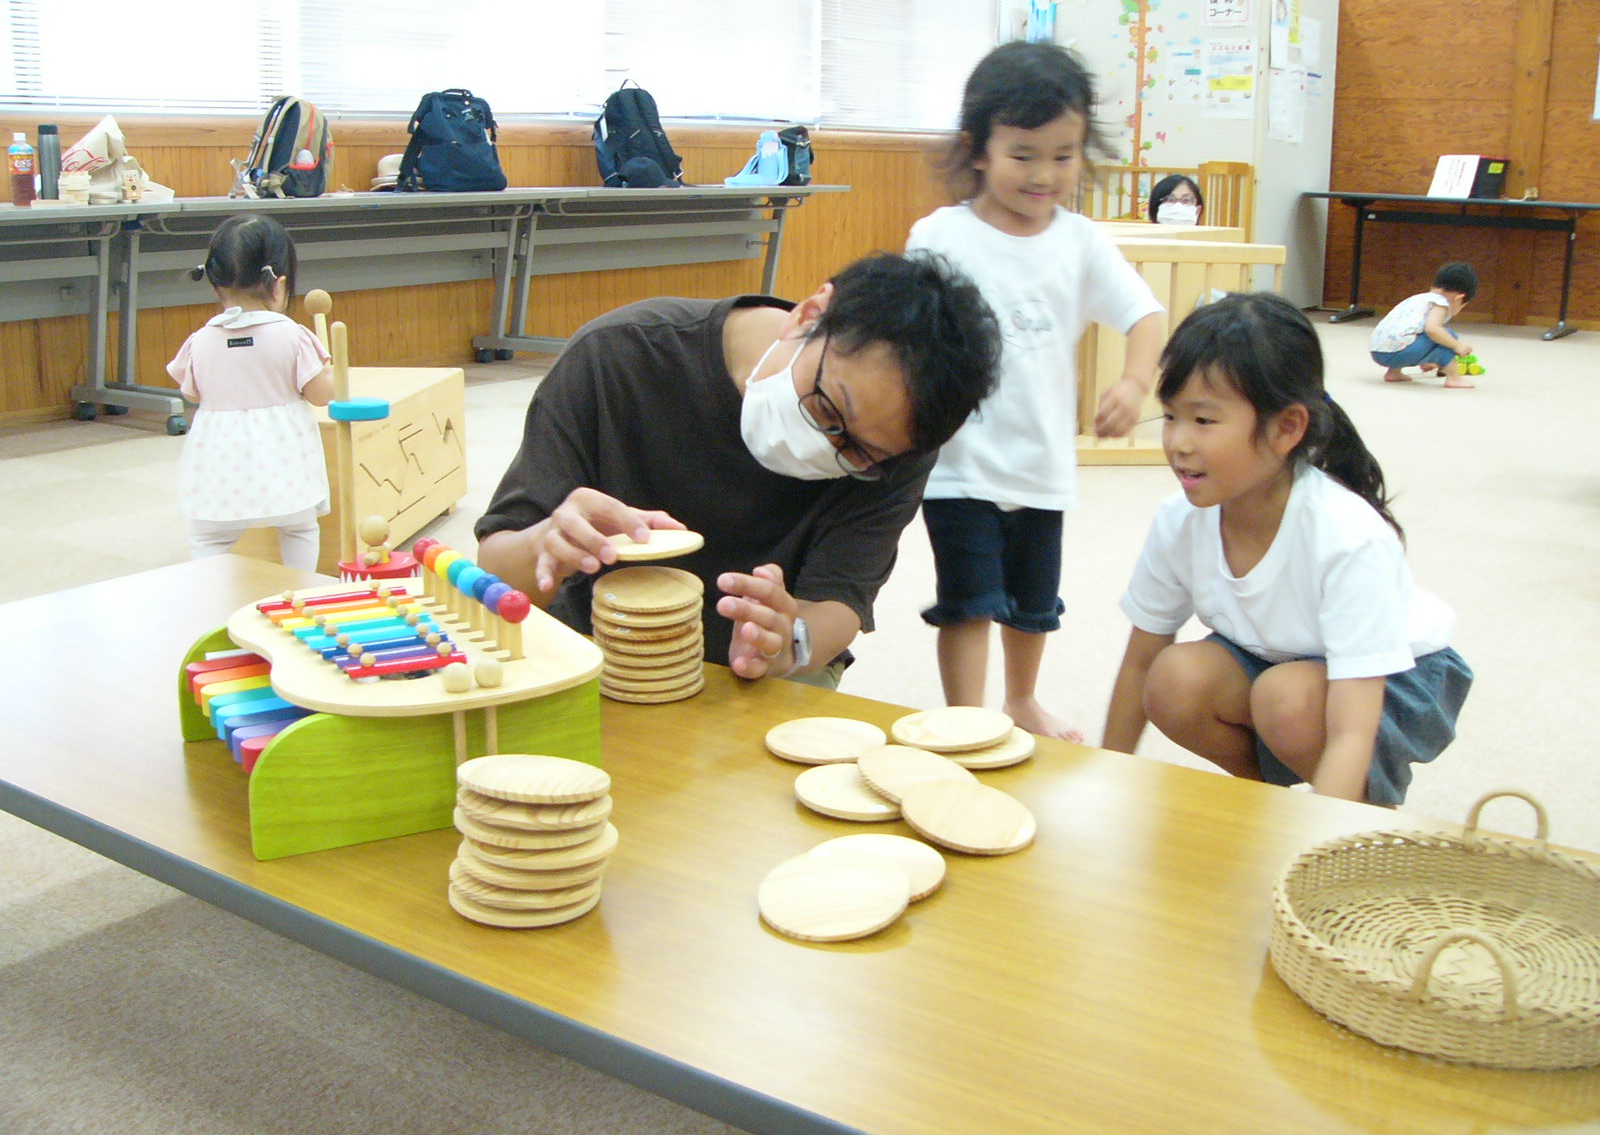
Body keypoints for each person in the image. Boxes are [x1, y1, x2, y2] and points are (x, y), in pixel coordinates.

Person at [474, 252, 1002, 686]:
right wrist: (546, 544)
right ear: (811, 313)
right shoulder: (618, 356)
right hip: (599, 644)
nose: (827, 448)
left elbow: (838, 601)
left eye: (858, 454)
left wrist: (788, 642)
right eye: (826, 409)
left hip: (768, 670)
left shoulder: (900, 444)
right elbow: (495, 573)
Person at [1101, 293, 1472, 804]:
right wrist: (1108, 783)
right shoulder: (1180, 520)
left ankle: (1360, 821)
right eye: (1169, 416)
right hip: (1276, 659)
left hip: (1394, 677)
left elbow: (1351, 730)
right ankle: (1266, 809)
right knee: (1174, 681)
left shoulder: (1347, 537)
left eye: (1204, 421)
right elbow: (1142, 661)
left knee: (1286, 700)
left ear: (1286, 428)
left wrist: (1319, 860)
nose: (1178, 442)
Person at [907, 40, 1167, 742]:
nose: (1044, 174)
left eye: (1064, 154)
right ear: (979, 149)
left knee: (1031, 603)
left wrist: (1136, 380)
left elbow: (1145, 315)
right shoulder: (941, 236)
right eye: (1024, 154)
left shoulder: (1079, 241)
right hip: (958, 465)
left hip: (1042, 465)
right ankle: (965, 719)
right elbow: (909, 331)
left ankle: (1021, 700)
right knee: (966, 602)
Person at [166, 215, 334, 571]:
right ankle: (299, 588)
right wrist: (331, 370)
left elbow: (192, 394)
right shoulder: (293, 334)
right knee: (299, 527)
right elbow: (321, 395)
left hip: (219, 461)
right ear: (279, 286)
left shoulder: (200, 341)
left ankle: (210, 595)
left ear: (214, 285)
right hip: (284, 456)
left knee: (208, 537)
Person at [1370, 261, 1478, 388]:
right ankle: (1454, 378)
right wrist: (1457, 345)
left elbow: (1411, 331)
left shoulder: (1418, 298)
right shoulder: (1440, 303)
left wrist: (1426, 357)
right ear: (1459, 298)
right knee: (1448, 336)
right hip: (1399, 352)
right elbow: (1432, 330)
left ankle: (1393, 372)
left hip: (1378, 351)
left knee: (1408, 336)